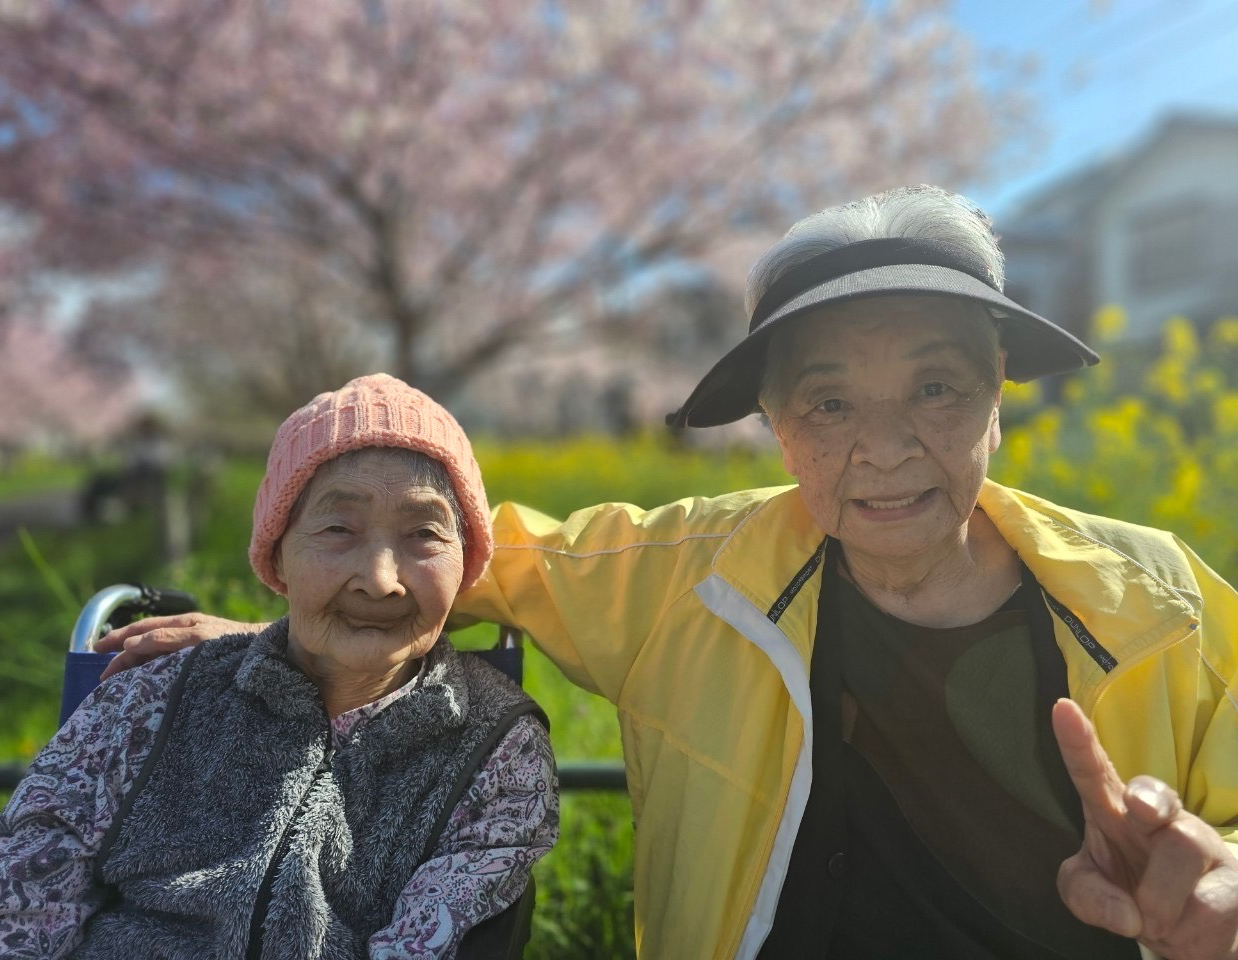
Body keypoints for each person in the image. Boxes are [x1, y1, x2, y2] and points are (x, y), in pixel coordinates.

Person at [84, 187, 1238, 960]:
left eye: (934, 389)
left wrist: (1216, 896)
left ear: (998, 385)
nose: (882, 451)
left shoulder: (1162, 604)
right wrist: (272, 628)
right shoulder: (677, 575)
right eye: (828, 402)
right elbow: (455, 559)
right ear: (774, 424)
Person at [0, 374, 559, 960]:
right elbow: (12, 911)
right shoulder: (148, 697)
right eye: (337, 528)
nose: (380, 579)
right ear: (277, 554)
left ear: (467, 564)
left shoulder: (497, 749)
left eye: (424, 533)